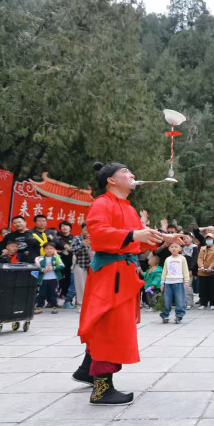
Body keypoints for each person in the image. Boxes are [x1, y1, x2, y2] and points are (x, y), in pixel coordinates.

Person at [72, 162, 184, 405]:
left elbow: (140, 239)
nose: (132, 174)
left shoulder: (128, 208)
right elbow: (98, 234)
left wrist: (165, 238)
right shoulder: (102, 203)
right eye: (124, 172)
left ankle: (86, 370)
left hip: (123, 273)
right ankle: (101, 389)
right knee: (109, 326)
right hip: (109, 273)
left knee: (109, 324)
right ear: (111, 180)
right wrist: (134, 234)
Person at [160, 242, 190, 324]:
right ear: (169, 249)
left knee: (180, 300)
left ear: (180, 249)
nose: (174, 248)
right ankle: (165, 315)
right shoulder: (168, 259)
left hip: (178, 282)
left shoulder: (182, 258)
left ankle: (179, 315)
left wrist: (186, 281)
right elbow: (164, 271)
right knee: (166, 300)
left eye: (176, 247)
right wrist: (162, 282)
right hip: (168, 282)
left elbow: (185, 270)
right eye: (172, 247)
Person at [34, 242, 64, 314]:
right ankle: (39, 307)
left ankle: (54, 306)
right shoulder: (40, 258)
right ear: (44, 250)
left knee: (54, 293)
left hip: (54, 279)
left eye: (51, 248)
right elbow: (36, 267)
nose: (49, 250)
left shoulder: (57, 258)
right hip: (43, 279)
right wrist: (42, 270)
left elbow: (62, 266)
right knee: (41, 293)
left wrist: (53, 268)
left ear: (54, 250)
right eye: (47, 248)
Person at [197, 233, 214, 310]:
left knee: (213, 288)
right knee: (203, 288)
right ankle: (203, 303)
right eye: (207, 239)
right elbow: (199, 258)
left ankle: (213, 303)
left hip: (212, 271)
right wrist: (201, 266)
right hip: (202, 271)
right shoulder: (202, 248)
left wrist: (211, 267)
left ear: (213, 239)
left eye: (210, 239)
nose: (208, 240)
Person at [70, 223, 92, 307]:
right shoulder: (77, 238)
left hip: (94, 266)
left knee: (93, 287)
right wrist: (82, 245)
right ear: (82, 229)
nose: (88, 231)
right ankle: (81, 305)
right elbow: (72, 250)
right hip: (81, 265)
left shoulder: (96, 238)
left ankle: (91, 305)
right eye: (85, 229)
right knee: (81, 286)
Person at [56, 221, 76, 308]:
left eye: (67, 226)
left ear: (70, 228)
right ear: (60, 228)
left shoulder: (74, 238)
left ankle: (65, 295)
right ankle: (55, 297)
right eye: (63, 226)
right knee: (58, 279)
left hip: (70, 262)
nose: (65, 228)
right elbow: (51, 248)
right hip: (58, 261)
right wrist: (61, 251)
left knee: (68, 279)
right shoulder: (57, 237)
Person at [181, 233, 199, 309]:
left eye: (187, 238)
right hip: (181, 269)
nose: (185, 240)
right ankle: (184, 302)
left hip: (189, 270)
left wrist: (191, 269)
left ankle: (189, 303)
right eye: (184, 239)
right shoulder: (182, 248)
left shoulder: (195, 247)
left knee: (188, 285)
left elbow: (195, 259)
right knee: (182, 286)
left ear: (191, 238)